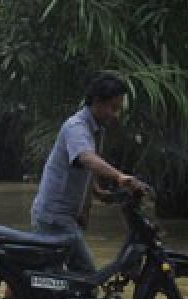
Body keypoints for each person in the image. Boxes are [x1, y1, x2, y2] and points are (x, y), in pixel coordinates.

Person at [30, 72, 150, 272]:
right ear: (97, 102)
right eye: (113, 108)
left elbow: (84, 167)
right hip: (55, 216)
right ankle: (9, 297)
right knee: (84, 274)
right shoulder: (76, 127)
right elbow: (86, 158)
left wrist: (97, 194)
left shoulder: (95, 128)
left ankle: (13, 294)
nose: (115, 114)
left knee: (43, 270)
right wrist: (119, 176)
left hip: (64, 215)